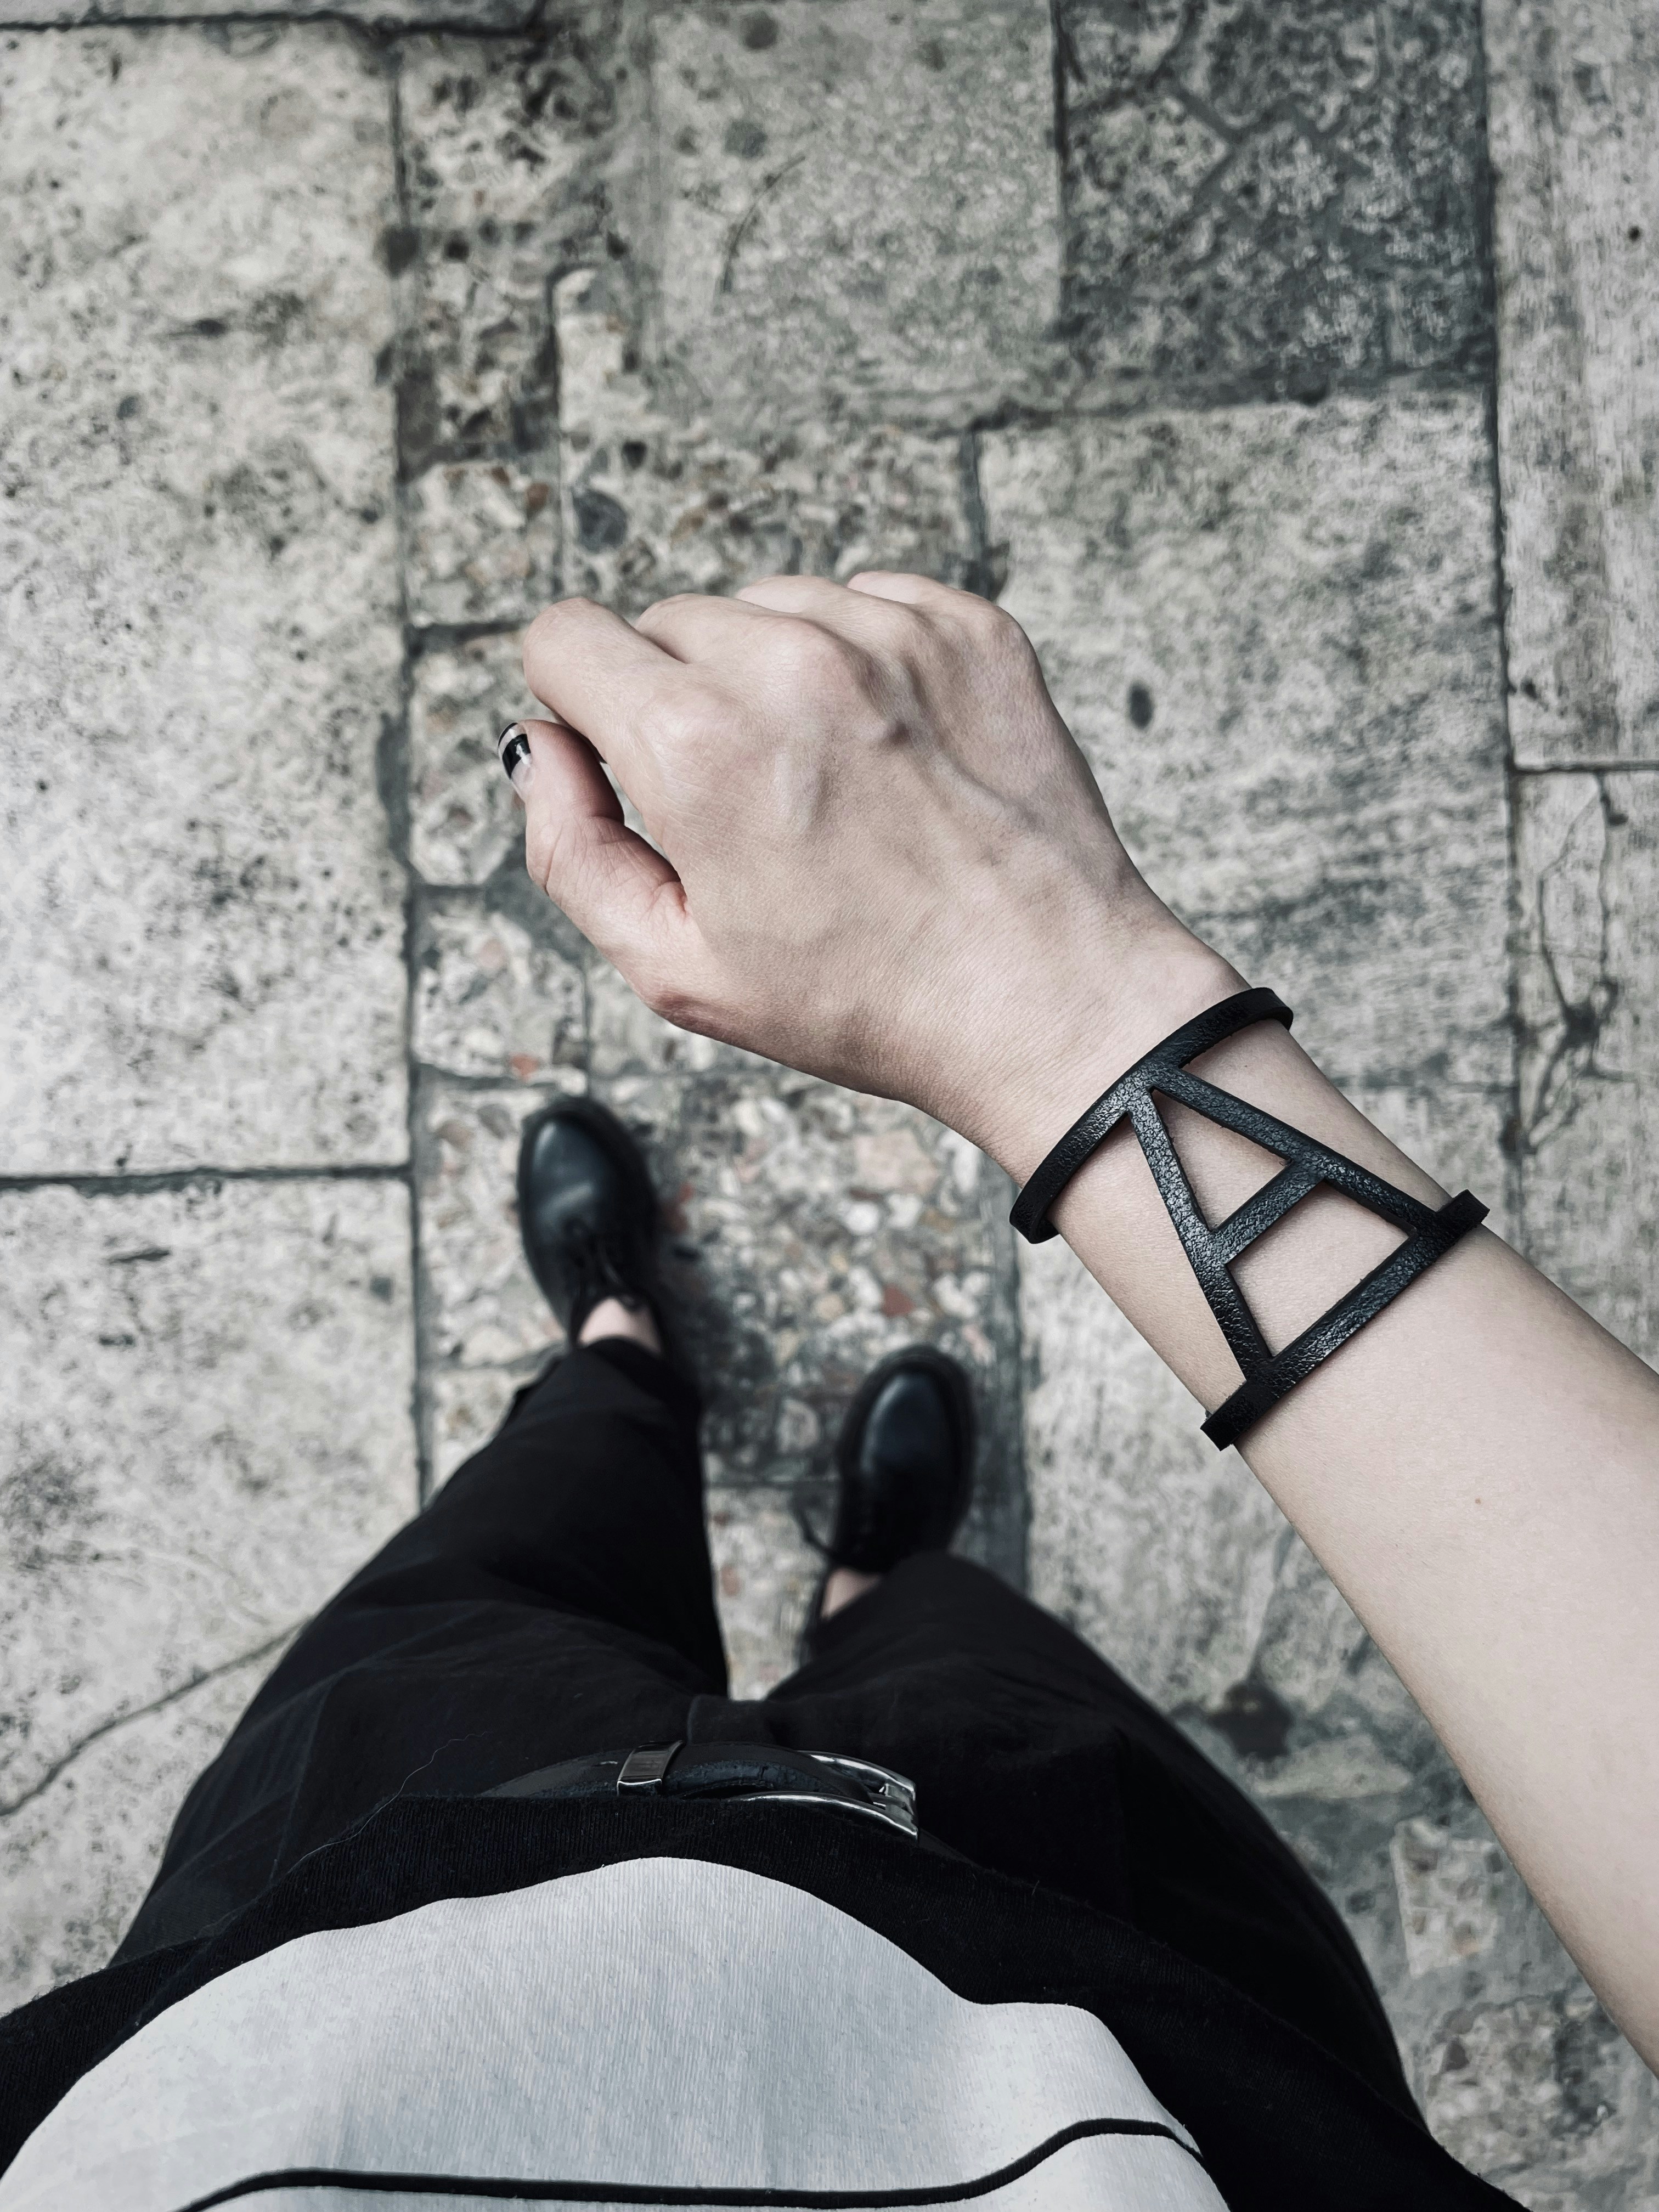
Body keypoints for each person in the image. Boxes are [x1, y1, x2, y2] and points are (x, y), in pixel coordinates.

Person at [3, 574, 1656, 2212]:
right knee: (960, 1640)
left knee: (525, 1533)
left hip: (344, 1866)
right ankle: (877, 1580)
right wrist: (1071, 997)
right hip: (1131, 1964)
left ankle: (620, 1355)